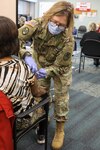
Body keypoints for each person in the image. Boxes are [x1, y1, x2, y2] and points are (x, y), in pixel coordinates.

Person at [18, 1, 74, 149]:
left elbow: (60, 66)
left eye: (61, 25)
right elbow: (15, 40)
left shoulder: (68, 38)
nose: (57, 26)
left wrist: (48, 71)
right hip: (39, 63)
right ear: (49, 16)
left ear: (67, 25)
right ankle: (42, 117)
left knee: (61, 96)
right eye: (55, 21)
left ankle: (60, 129)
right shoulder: (37, 24)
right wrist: (25, 55)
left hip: (60, 68)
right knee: (40, 93)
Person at [0, 16, 47, 148]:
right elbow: (36, 92)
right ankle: (41, 133)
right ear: (14, 41)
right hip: (17, 119)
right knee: (44, 96)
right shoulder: (21, 67)